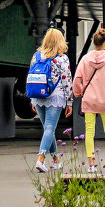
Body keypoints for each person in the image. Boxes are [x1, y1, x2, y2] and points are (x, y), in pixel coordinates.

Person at [72, 26, 105, 171]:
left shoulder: (85, 59)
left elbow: (77, 79)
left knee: (89, 131)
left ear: (94, 43)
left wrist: (78, 92)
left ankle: (92, 163)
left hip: (89, 100)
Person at [32, 27, 74, 173]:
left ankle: (56, 160)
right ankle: (41, 159)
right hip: (55, 96)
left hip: (38, 96)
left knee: (47, 129)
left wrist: (32, 100)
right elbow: (67, 80)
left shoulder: (37, 56)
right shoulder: (62, 58)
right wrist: (69, 102)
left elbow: (32, 78)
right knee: (50, 128)